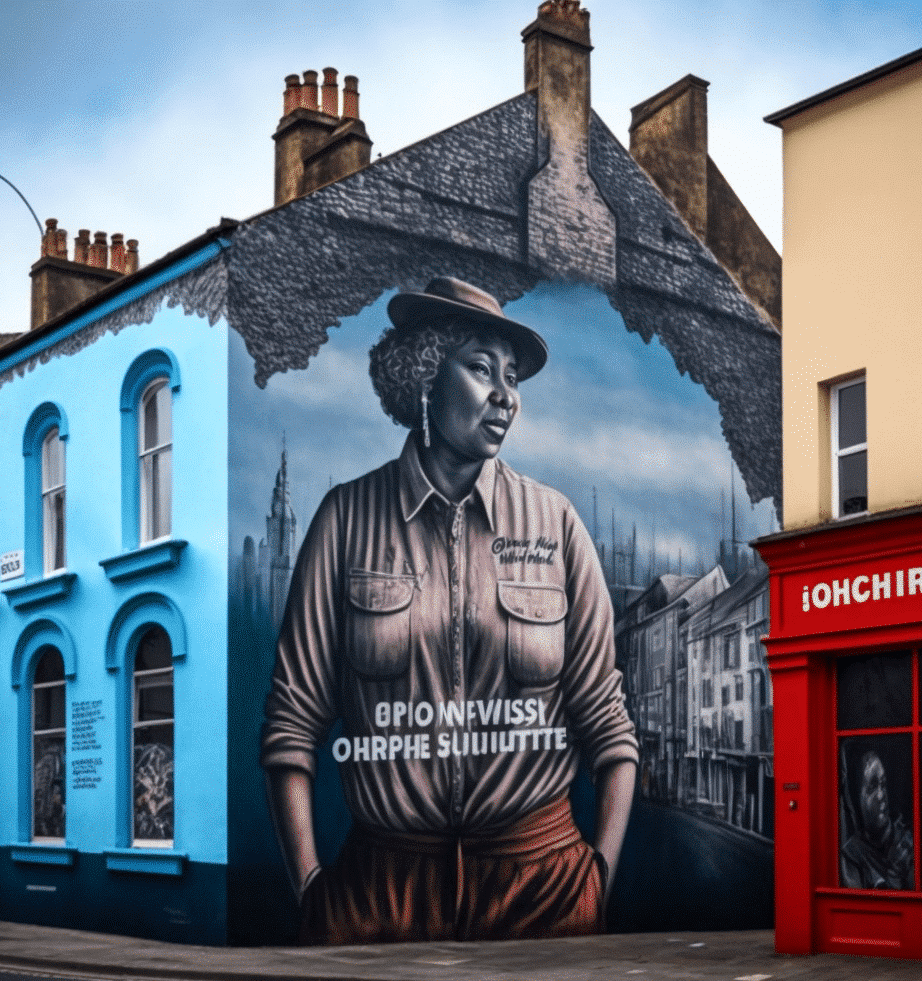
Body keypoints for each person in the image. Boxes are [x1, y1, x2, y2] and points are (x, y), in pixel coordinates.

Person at [261, 277, 639, 944]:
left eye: (513, 377)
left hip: (544, 886)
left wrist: (596, 880)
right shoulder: (346, 519)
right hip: (380, 895)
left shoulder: (555, 523)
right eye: (481, 368)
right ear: (425, 375)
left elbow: (608, 723)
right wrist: (313, 889)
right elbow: (292, 725)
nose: (506, 397)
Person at [839, 748, 913, 890]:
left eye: (883, 784)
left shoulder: (907, 842)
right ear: (856, 798)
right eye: (872, 787)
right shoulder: (852, 854)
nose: (881, 796)